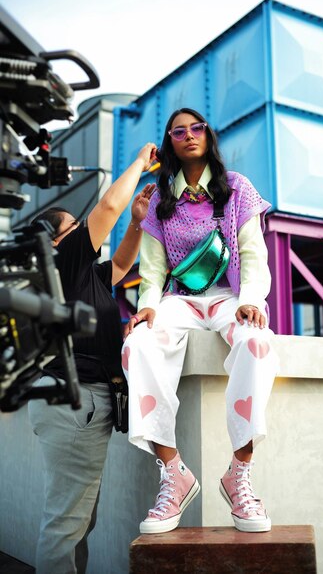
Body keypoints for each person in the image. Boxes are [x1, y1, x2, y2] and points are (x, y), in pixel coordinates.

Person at [123, 108, 279, 535]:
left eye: (197, 128)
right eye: (179, 131)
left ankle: (239, 474)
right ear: (169, 142)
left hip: (230, 297)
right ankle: (173, 472)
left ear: (208, 134)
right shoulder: (159, 200)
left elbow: (252, 252)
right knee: (136, 344)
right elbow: (152, 270)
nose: (189, 135)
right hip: (181, 301)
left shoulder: (237, 189)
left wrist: (250, 299)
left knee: (257, 343)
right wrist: (148, 307)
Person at [28, 143, 157, 574]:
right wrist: (140, 163)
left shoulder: (83, 275)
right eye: (75, 226)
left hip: (79, 403)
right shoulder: (62, 262)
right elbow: (107, 206)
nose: (85, 228)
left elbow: (120, 264)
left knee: (79, 520)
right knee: (67, 523)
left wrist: (137, 223)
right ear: (57, 241)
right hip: (76, 401)